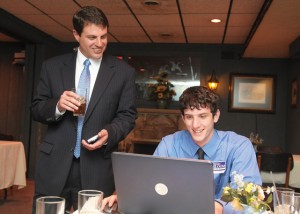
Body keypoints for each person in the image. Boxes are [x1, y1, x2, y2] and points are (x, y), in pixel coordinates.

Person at [31, 6, 137, 213]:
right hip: (54, 165)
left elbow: (128, 115)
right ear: (76, 35)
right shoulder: (52, 67)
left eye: (104, 36)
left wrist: (110, 133)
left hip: (98, 168)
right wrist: (58, 106)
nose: (100, 44)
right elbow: (36, 108)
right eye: (92, 37)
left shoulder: (124, 72)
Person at [102, 86, 261, 214]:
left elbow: (249, 194)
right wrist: (124, 197)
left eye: (203, 116)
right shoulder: (169, 144)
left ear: (216, 116)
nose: (195, 125)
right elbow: (150, 185)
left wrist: (218, 207)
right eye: (190, 117)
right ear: (183, 118)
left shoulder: (239, 146)